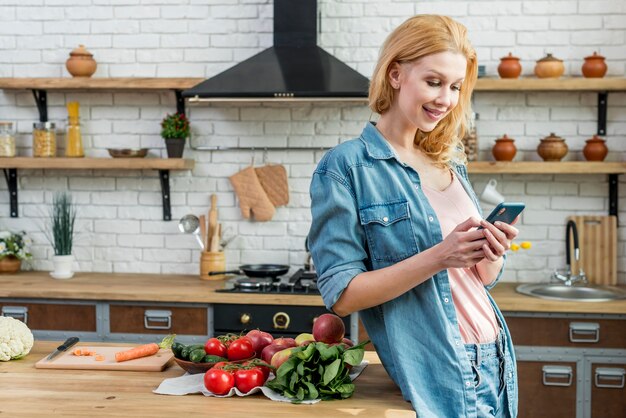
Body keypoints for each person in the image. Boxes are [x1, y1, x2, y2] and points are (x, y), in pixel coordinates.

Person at [308, 15, 519, 417]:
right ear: (395, 74)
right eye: (434, 81)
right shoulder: (346, 167)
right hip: (441, 369)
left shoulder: (450, 162)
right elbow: (341, 296)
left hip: (497, 361)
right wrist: (441, 255)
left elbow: (482, 280)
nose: (446, 98)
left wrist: (491, 249)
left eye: (456, 87)